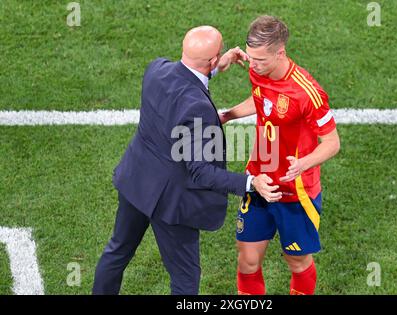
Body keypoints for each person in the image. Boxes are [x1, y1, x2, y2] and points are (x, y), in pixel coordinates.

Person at [92, 25, 282, 295]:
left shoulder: (155, 70)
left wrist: (216, 67)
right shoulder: (199, 110)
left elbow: (181, 81)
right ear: (213, 60)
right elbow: (201, 172)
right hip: (171, 202)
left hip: (136, 182)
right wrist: (251, 183)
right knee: (185, 277)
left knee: (117, 251)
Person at [220, 16, 340, 295]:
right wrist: (227, 115)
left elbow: (332, 142)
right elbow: (262, 99)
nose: (253, 65)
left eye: (260, 59)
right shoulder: (257, 70)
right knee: (247, 259)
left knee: (296, 260)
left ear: (280, 53)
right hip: (258, 179)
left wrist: (303, 163)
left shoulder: (308, 92)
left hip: (295, 188)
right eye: (250, 58)